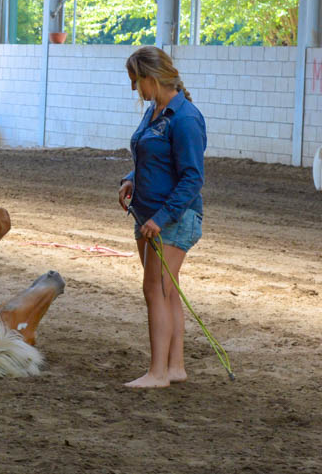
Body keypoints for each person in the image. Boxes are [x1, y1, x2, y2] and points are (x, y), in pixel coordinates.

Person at [117, 46, 207, 388]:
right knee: (168, 290)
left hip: (172, 218)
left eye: (136, 81)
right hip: (148, 215)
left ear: (152, 78)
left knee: (154, 289)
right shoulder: (156, 111)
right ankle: (175, 367)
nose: (134, 89)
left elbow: (192, 176)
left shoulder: (185, 119)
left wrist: (162, 216)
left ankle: (157, 373)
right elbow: (150, 157)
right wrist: (131, 179)